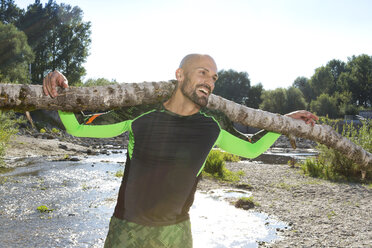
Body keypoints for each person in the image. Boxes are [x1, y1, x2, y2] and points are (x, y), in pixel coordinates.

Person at [43, 54, 318, 248]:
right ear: (179, 75)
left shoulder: (214, 123)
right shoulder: (140, 112)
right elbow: (79, 127)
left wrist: (283, 122)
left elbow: (252, 148)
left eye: (214, 77)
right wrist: (61, 90)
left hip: (175, 234)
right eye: (202, 72)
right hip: (126, 230)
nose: (210, 81)